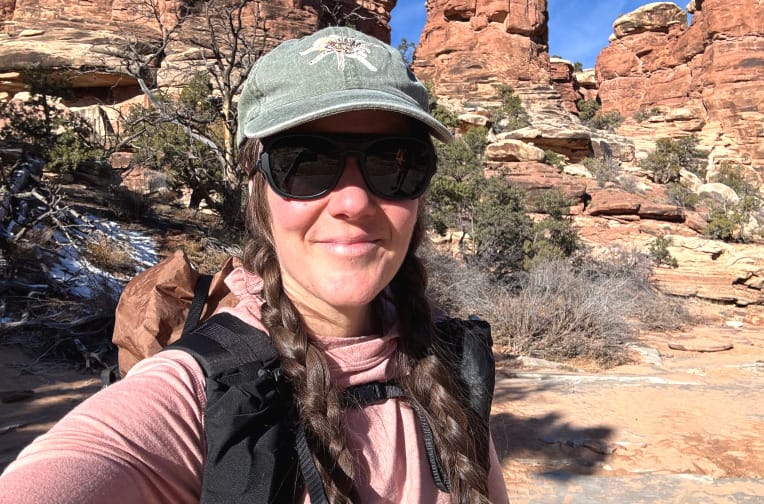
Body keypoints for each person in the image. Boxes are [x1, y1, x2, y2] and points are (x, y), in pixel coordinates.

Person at [0, 26, 509, 503]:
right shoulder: (197, 391)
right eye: (304, 162)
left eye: (393, 163)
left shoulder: (451, 361)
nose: (354, 202)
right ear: (257, 192)